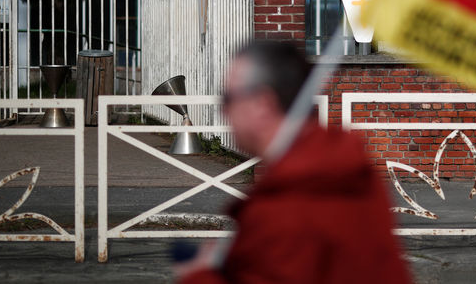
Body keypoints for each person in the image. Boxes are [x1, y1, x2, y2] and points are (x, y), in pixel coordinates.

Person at [175, 40, 412, 284]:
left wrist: (199, 274)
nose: (224, 111)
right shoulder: (350, 169)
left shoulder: (285, 205)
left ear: (262, 104)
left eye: (228, 98)